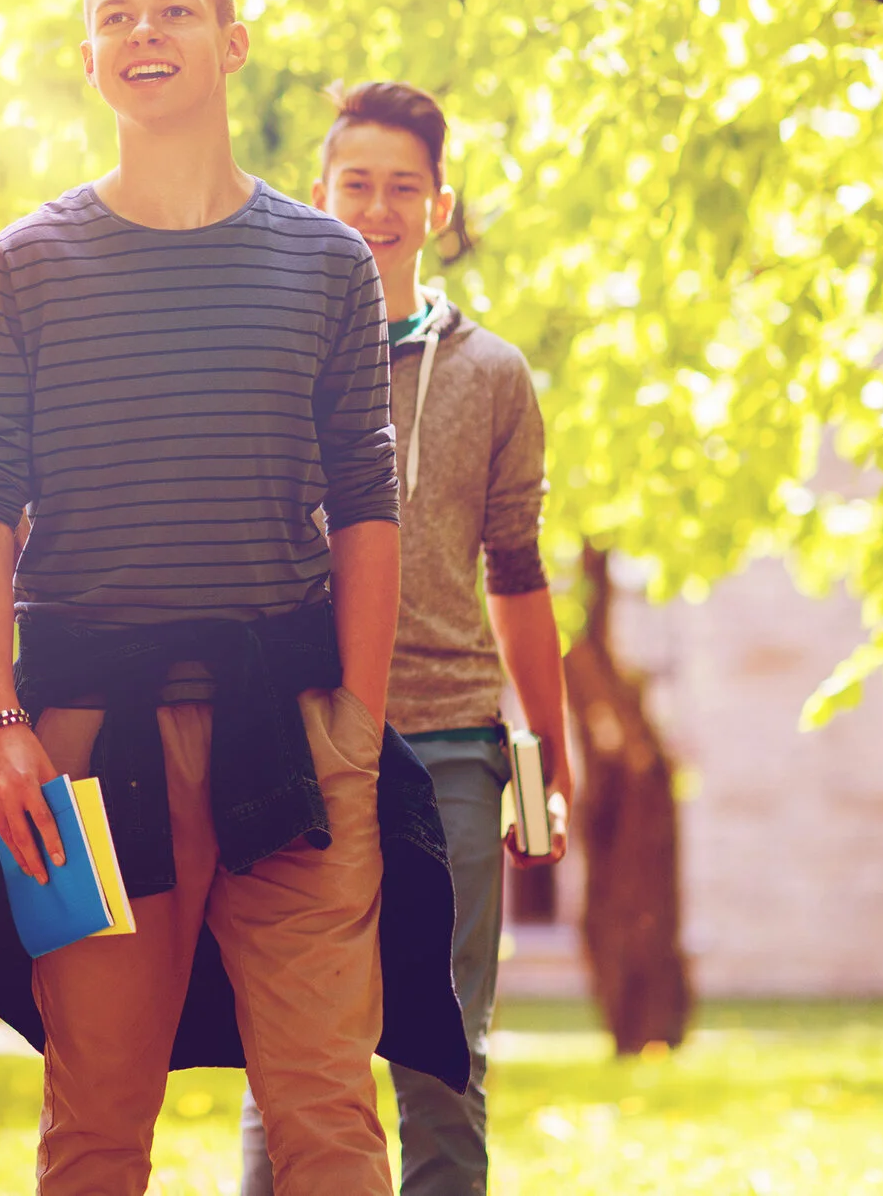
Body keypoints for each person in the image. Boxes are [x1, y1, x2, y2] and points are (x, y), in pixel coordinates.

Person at [0, 0, 405, 1195]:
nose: (144, 34)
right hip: (86, 750)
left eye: (174, 10)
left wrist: (359, 724)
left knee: (329, 1115)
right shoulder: (24, 264)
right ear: (89, 54)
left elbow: (368, 499)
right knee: (95, 1122)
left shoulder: (328, 262)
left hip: (292, 736)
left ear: (231, 41)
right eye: (117, 16)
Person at [234, 82, 572, 1196]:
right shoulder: (274, 358)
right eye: (357, 185)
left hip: (450, 742)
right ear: (319, 196)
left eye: (403, 188)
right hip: (297, 730)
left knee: (444, 1046)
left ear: (439, 206)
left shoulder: (494, 373)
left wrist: (547, 753)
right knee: (293, 1051)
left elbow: (516, 570)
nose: (378, 209)